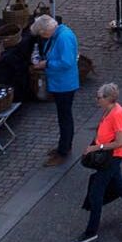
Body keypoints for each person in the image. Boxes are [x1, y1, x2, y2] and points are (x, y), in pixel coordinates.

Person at [74, 83, 122, 242]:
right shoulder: (110, 110)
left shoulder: (117, 114)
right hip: (109, 158)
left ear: (108, 99)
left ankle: (91, 231)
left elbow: (119, 142)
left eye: (99, 97)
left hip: (111, 158)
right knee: (120, 185)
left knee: (96, 194)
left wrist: (97, 147)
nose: (97, 100)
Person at [31, 14, 81, 165]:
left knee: (64, 117)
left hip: (64, 84)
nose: (42, 37)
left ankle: (63, 150)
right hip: (61, 82)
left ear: (46, 31)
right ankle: (64, 146)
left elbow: (66, 62)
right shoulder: (58, 34)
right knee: (63, 116)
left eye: (41, 34)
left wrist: (46, 64)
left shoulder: (63, 37)